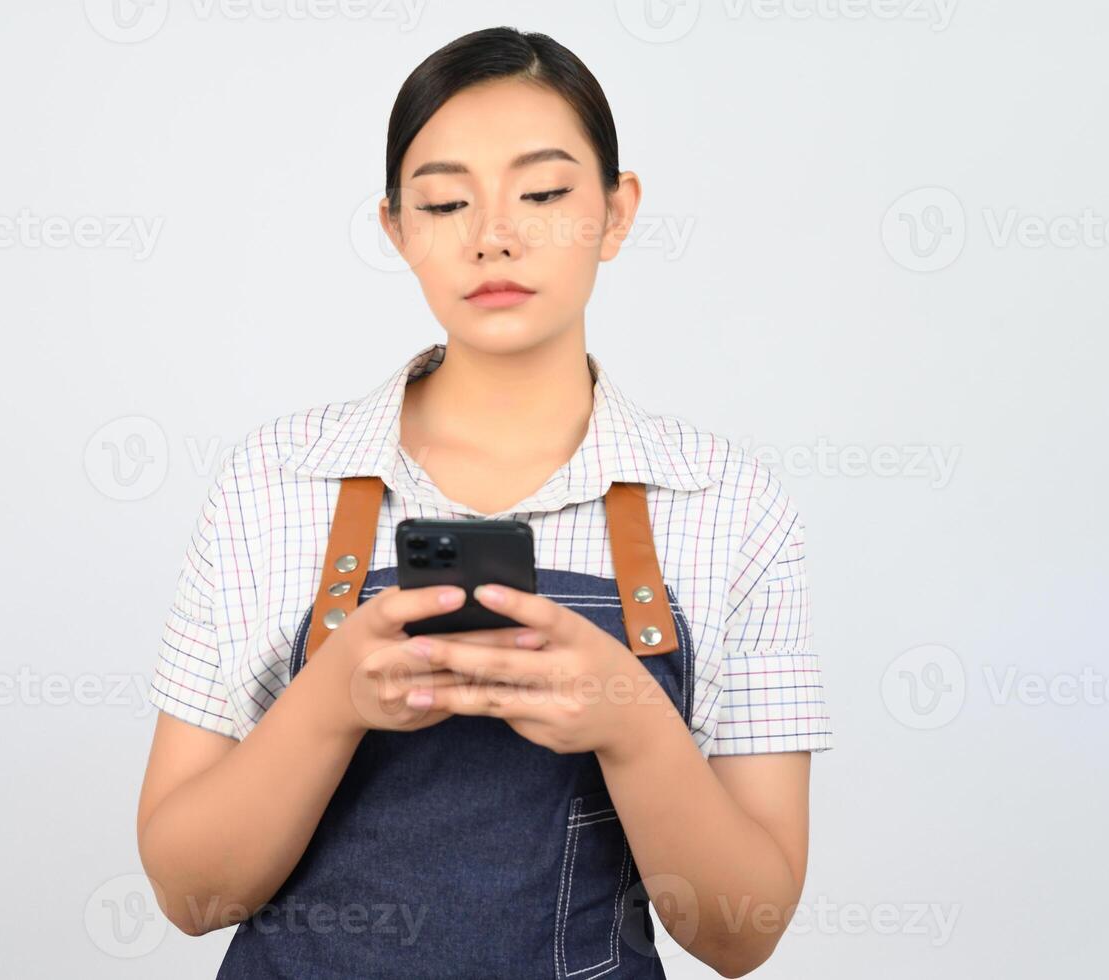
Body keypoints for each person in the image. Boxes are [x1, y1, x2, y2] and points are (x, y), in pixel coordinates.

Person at [136, 25, 833, 979]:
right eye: (444, 200)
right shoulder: (272, 481)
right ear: (396, 228)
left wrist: (633, 723)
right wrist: (330, 704)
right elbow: (187, 895)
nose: (492, 234)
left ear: (617, 213)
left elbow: (740, 933)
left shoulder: (727, 505)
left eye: (544, 193)